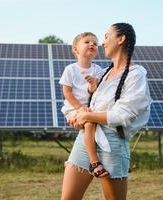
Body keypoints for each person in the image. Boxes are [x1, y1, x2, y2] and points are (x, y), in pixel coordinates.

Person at [61, 23, 152, 200]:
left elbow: (122, 114)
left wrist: (86, 115)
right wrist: (78, 118)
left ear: (121, 39)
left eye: (106, 37)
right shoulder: (103, 73)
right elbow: (89, 104)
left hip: (112, 143)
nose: (102, 43)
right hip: (86, 138)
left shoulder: (136, 74)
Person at [59, 32, 109, 178]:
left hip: (89, 108)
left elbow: (94, 92)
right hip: (72, 109)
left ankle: (107, 159)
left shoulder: (98, 70)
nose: (92, 44)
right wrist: (80, 109)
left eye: (95, 43)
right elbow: (67, 93)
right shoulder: (70, 69)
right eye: (87, 42)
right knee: (89, 124)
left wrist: (93, 84)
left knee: (98, 125)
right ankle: (94, 163)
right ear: (76, 50)